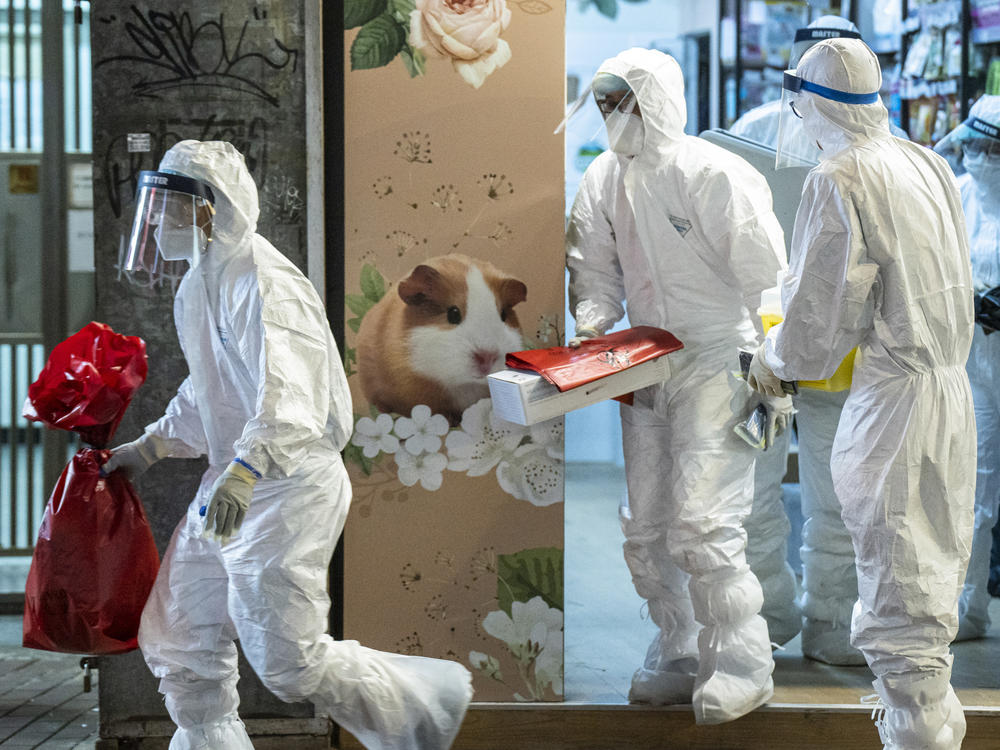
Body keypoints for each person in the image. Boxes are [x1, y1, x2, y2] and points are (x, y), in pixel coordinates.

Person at [103, 140, 472, 750]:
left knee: (288, 664)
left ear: (208, 210)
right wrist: (150, 446)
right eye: (157, 204)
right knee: (180, 636)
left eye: (172, 206)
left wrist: (249, 467)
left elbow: (290, 396)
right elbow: (212, 388)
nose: (160, 221)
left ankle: (430, 707)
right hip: (234, 480)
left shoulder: (265, 282)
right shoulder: (200, 284)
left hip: (285, 483)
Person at [748, 38, 974, 749]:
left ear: (811, 100)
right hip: (950, 387)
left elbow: (819, 320)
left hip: (893, 400)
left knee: (894, 562)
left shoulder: (840, 176)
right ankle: (932, 715)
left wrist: (771, 356)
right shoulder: (925, 159)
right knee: (935, 559)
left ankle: (913, 727)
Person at [564, 48, 792, 725]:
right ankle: (681, 647)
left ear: (657, 100)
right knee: (648, 525)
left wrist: (775, 367)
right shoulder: (603, 177)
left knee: (705, 522)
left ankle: (745, 662)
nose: (615, 116)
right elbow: (595, 269)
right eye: (605, 103)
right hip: (646, 358)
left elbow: (767, 276)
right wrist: (593, 326)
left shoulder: (714, 172)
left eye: (624, 101)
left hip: (722, 356)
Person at [734, 14, 892, 666]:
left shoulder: (878, 148)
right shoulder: (749, 134)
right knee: (753, 484)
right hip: (758, 341)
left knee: (836, 491)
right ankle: (764, 620)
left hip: (845, 345)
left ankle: (832, 622)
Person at [934, 95, 1000, 641]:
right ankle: (970, 606)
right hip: (975, 363)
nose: (982, 158)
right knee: (976, 488)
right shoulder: (957, 196)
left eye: (993, 149)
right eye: (976, 146)